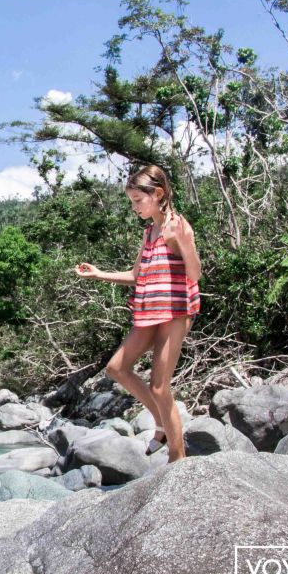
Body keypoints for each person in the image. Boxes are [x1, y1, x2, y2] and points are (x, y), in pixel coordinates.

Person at [74, 165, 201, 463]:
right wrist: (99, 274)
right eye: (131, 200)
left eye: (137, 200)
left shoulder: (177, 227)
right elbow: (137, 275)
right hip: (149, 310)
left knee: (159, 386)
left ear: (157, 194)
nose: (134, 207)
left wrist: (184, 242)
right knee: (116, 368)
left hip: (175, 311)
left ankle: (177, 458)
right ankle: (160, 423)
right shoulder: (149, 233)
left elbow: (195, 274)